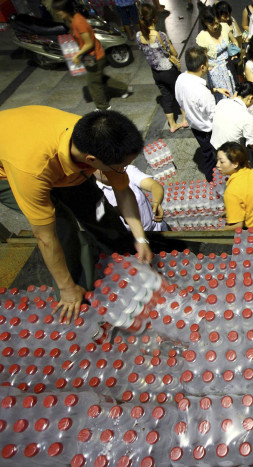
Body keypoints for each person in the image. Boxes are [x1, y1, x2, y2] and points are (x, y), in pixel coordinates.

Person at [0, 106, 152, 323]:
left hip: (55, 159)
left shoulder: (99, 137)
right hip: (11, 172)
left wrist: (140, 238)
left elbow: (122, 190)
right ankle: (73, 295)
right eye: (122, 167)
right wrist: (66, 287)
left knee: (96, 208)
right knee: (62, 228)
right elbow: (45, 237)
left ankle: (122, 254)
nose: (125, 169)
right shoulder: (31, 171)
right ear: (91, 160)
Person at [52, 0, 131, 111]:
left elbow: (89, 43)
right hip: (91, 56)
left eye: (59, 11)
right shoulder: (70, 20)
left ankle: (103, 107)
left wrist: (77, 55)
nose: (57, 13)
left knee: (93, 83)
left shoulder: (79, 22)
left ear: (66, 10)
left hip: (95, 56)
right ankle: (123, 88)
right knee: (100, 78)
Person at [176, 46, 231, 182]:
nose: (208, 65)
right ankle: (213, 182)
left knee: (207, 153)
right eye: (207, 63)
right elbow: (213, 115)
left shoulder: (181, 79)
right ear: (202, 67)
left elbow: (183, 100)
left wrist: (216, 89)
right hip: (207, 130)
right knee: (211, 158)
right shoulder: (202, 92)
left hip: (195, 126)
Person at [136, 4, 188, 133]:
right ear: (154, 19)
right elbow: (174, 53)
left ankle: (172, 125)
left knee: (165, 96)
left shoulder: (138, 35)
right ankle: (185, 120)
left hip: (155, 72)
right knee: (179, 93)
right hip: (168, 71)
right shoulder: (160, 35)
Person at [216, 142, 253, 229]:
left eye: (221, 161)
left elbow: (237, 226)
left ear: (235, 164)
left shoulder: (231, 192)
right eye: (217, 160)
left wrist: (217, 231)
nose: (217, 165)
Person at [95, 166, 167, 232]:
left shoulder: (127, 171)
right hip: (134, 241)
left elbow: (154, 185)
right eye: (97, 167)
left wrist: (156, 203)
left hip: (158, 228)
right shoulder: (95, 193)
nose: (104, 170)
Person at [211, 81, 253, 149]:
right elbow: (252, 144)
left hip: (213, 147)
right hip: (229, 153)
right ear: (250, 98)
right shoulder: (247, 117)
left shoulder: (222, 102)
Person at [196, 6, 237, 100]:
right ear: (205, 23)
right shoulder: (202, 36)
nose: (215, 26)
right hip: (215, 71)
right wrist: (209, 68)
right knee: (222, 97)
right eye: (211, 24)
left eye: (216, 23)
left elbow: (234, 41)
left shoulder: (225, 27)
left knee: (233, 92)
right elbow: (203, 56)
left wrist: (234, 53)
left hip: (229, 66)